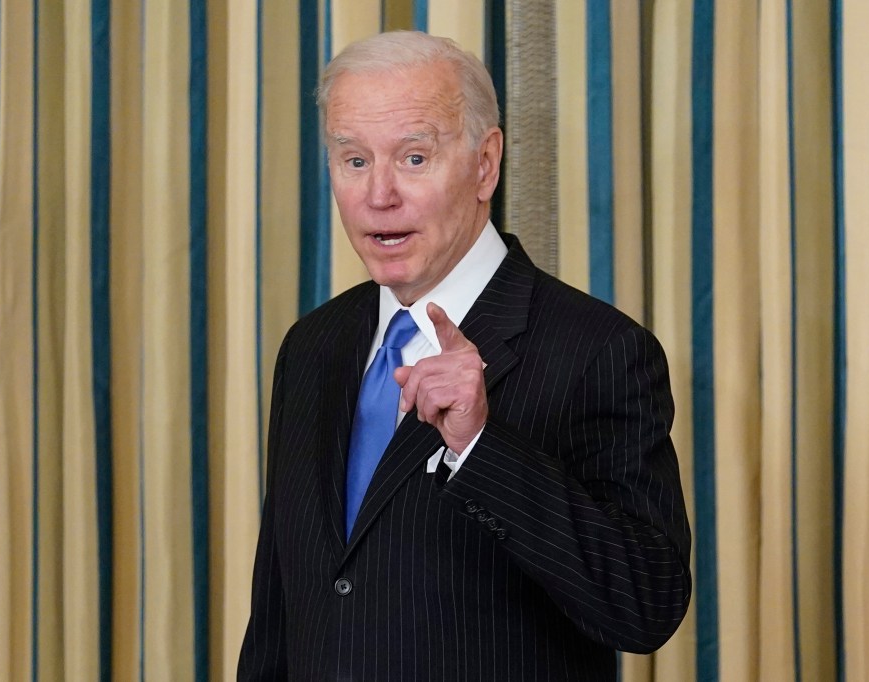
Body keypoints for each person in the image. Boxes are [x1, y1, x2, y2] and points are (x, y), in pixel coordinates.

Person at [238, 30, 691, 681]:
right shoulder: (313, 345)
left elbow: (645, 606)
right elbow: (280, 614)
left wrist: (480, 445)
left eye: (415, 158)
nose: (379, 195)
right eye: (354, 161)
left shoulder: (598, 349)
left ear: (485, 164)